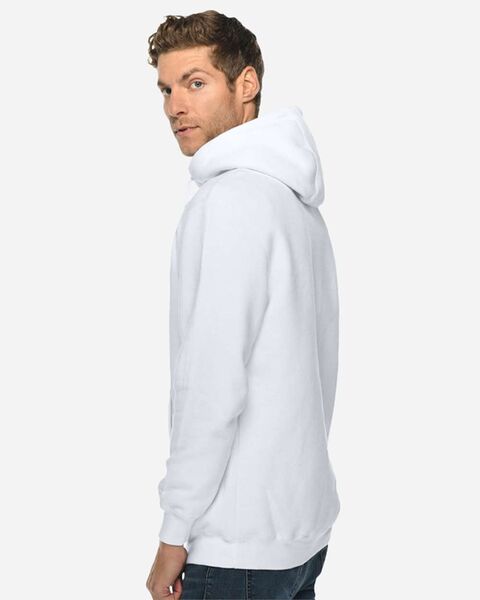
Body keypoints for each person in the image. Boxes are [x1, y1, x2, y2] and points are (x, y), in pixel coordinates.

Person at [145, 10, 341, 600]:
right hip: (298, 538)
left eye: (195, 82)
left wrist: (174, 532)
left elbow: (211, 384)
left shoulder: (229, 201)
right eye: (166, 89)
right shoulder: (296, 203)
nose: (176, 105)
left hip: (234, 548)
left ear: (246, 84)